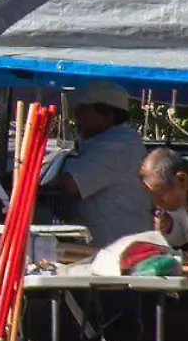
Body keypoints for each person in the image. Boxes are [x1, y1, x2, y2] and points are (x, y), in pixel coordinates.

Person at [44, 82, 152, 247]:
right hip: (104, 246)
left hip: (119, 250)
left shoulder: (119, 146)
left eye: (84, 109)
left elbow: (73, 183)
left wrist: (36, 179)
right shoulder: (99, 141)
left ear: (107, 112)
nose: (77, 114)